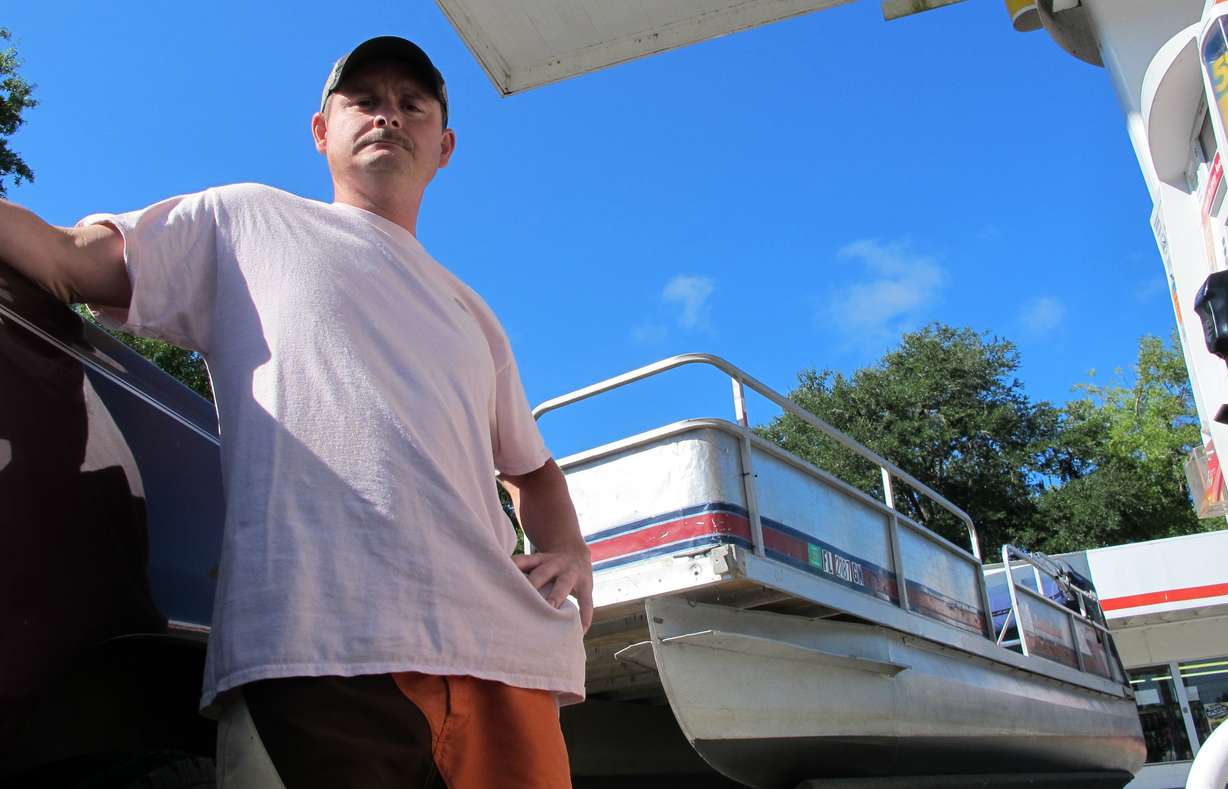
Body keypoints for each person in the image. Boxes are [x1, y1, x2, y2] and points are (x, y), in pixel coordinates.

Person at [0, 35, 590, 789]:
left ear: (443, 147)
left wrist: (572, 554)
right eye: (365, 100)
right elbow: (69, 258)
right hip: (321, 654)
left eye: (411, 105)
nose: (388, 116)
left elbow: (533, 472)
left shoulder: (472, 313)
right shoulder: (243, 221)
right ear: (321, 132)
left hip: (504, 663)